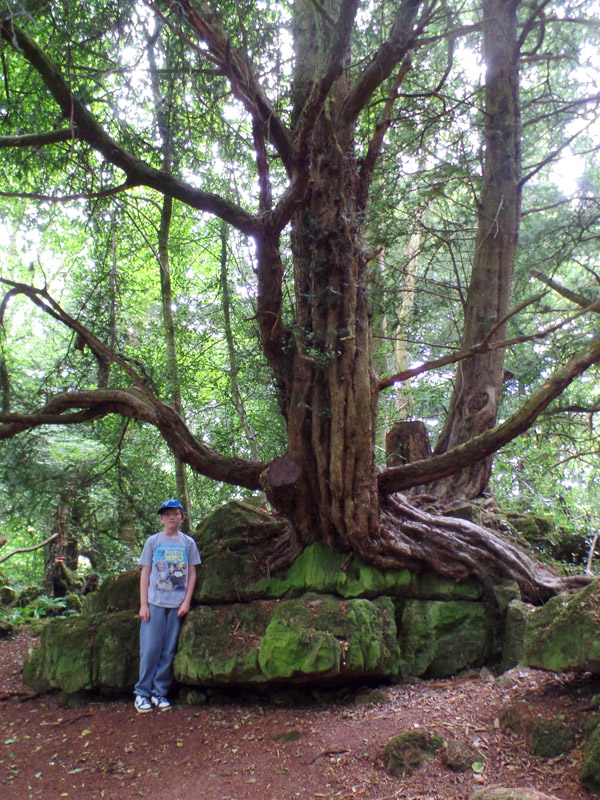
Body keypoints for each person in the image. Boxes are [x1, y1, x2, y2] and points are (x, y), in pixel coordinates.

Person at [134, 498, 201, 713]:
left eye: (176, 513)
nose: (172, 517)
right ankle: (142, 693)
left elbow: (192, 574)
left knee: (168, 650)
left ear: (182, 517)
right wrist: (143, 604)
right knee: (150, 649)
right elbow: (145, 573)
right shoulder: (153, 542)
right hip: (154, 604)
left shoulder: (188, 543)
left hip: (176, 606)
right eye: (167, 514)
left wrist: (186, 602)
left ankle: (158, 692)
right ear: (161, 519)